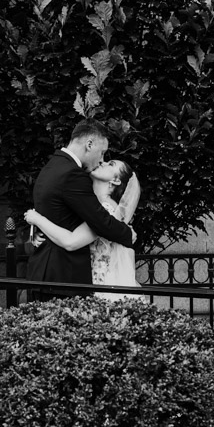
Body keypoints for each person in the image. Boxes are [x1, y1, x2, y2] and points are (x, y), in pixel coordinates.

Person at [25, 119, 136, 295]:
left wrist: (37, 224)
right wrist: (128, 234)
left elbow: (54, 208)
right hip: (62, 277)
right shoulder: (72, 174)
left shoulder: (52, 166)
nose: (101, 160)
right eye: (102, 153)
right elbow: (100, 221)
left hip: (46, 274)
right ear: (89, 144)